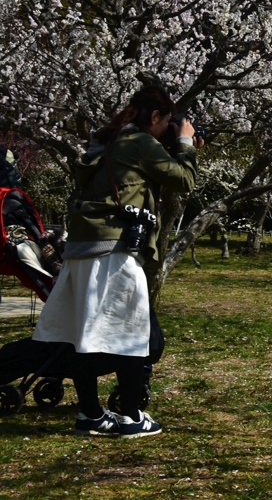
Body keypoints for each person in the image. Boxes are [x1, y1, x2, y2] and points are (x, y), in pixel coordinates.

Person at [33, 85, 201, 437]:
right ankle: (132, 416)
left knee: (84, 334)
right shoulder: (139, 142)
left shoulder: (105, 143)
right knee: (131, 332)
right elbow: (183, 180)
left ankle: (91, 414)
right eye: (166, 122)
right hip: (113, 249)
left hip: (81, 247)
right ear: (155, 117)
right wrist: (184, 143)